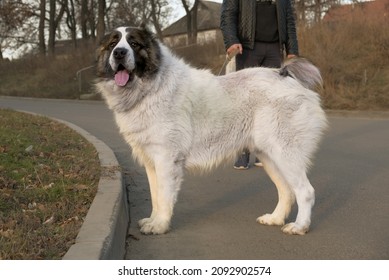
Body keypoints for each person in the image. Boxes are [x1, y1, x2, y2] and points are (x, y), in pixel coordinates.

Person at [220, 0, 299, 170]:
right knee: (244, 102)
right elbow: (228, 14)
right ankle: (242, 151)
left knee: (272, 103)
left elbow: (289, 20)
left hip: (275, 48)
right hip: (248, 47)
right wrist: (231, 40)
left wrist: (292, 50)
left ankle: (265, 151)